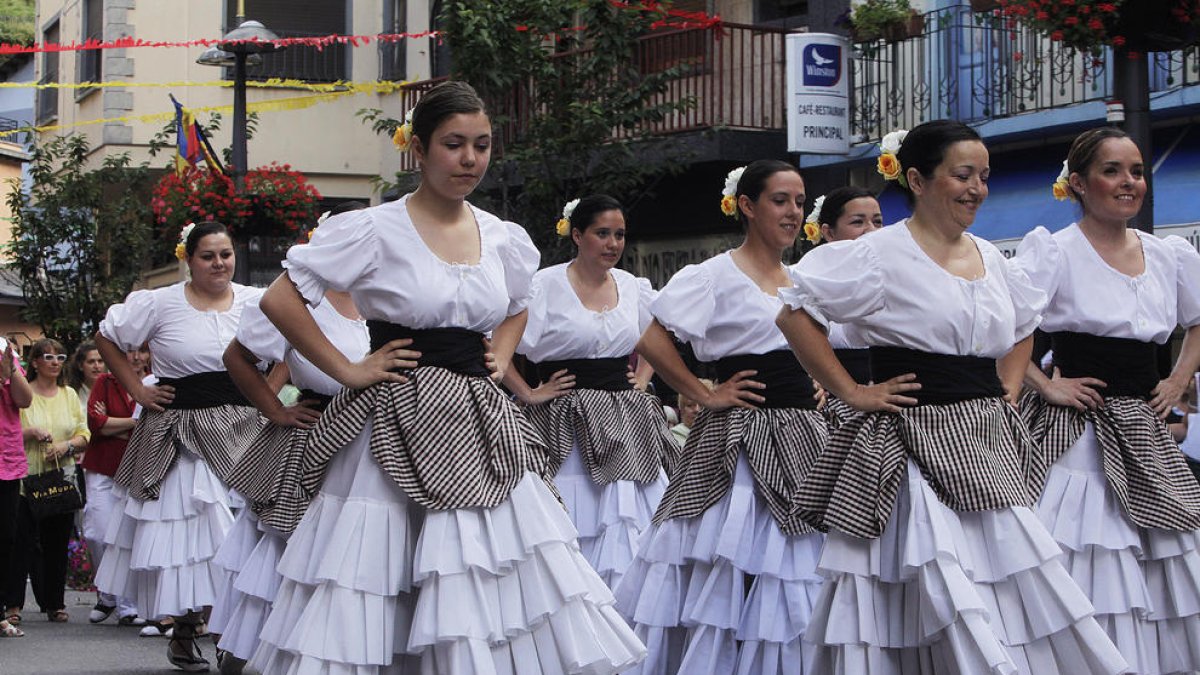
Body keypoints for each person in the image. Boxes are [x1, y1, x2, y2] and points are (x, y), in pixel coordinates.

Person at [250, 80, 644, 674]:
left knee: (487, 562)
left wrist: (499, 357)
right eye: (454, 144)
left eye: (481, 145)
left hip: (480, 416)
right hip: (394, 411)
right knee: (376, 567)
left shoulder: (505, 238)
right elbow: (282, 299)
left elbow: (518, 305)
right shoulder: (374, 227)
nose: (469, 159)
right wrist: (349, 369)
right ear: (420, 149)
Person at [777, 120, 1127, 673]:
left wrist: (1009, 390)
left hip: (985, 440)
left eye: (983, 176)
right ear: (917, 179)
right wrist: (852, 391)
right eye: (962, 175)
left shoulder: (992, 257)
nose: (976, 188)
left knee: (1006, 578)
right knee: (929, 579)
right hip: (909, 440)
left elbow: (1023, 327)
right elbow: (795, 312)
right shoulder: (878, 254)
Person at [613, 160, 828, 673]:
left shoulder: (804, 280)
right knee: (726, 555)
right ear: (748, 206)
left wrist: (823, 379)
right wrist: (702, 393)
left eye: (799, 201)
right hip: (739, 434)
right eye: (780, 200)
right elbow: (647, 330)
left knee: (800, 561)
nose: (793, 212)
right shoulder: (713, 274)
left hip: (804, 431)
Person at [1015, 126, 1200, 673]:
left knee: (1164, 548)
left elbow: (1197, 322)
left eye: (1137, 171)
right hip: (1077, 427)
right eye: (1113, 171)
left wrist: (1177, 384)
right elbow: (1003, 330)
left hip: (1144, 424)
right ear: (1079, 183)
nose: (1128, 182)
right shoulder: (1054, 250)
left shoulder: (1168, 254)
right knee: (1083, 547)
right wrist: (1046, 384)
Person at [92, 221, 265, 672]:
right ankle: (188, 629)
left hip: (242, 427)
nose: (219, 263)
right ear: (188, 260)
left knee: (243, 532)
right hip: (180, 430)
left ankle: (232, 633)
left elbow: (285, 349)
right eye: (208, 255)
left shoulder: (253, 301)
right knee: (191, 535)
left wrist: (269, 400)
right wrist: (138, 389)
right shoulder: (161, 302)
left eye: (225, 254)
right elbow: (107, 338)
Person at [208, 206, 372, 675]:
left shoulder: (382, 294)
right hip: (315, 434)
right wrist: (275, 409)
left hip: (374, 437)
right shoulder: (299, 298)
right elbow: (237, 357)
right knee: (297, 553)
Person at [504, 194, 678, 589]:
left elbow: (659, 335)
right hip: (562, 416)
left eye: (619, 234)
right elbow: (498, 342)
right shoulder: (544, 285)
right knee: (567, 521)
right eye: (602, 234)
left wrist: (645, 375)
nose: (613, 243)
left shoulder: (633, 286)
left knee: (627, 520)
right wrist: (529, 391)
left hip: (626, 420)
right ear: (577, 235)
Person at [5, 338, 90, 626]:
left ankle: (54, 603)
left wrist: (67, 446)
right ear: (36, 363)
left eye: (60, 357)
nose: (55, 362)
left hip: (60, 475)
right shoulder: (23, 392)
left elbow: (84, 433)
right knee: (22, 542)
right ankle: (13, 603)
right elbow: (10, 430)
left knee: (57, 542)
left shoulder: (68, 395)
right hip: (27, 477)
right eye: (49, 357)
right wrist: (31, 433)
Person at [81, 344, 149, 628]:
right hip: (102, 466)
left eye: (140, 351)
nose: (134, 357)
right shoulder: (105, 382)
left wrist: (116, 424)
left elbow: (153, 424)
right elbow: (96, 424)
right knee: (97, 532)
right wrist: (134, 422)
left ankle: (127, 605)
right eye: (128, 351)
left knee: (127, 537)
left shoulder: (156, 381)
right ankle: (107, 594)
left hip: (135, 469)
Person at [804, 186, 884, 427]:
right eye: (858, 222)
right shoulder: (807, 280)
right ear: (828, 232)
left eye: (878, 222)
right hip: (828, 410)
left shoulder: (895, 276)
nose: (871, 230)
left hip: (887, 404)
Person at [0, 340, 32, 638]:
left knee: (6, 537)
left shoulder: (5, 355)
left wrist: (11, 371)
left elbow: (24, 400)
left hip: (6, 461)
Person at [69, 341, 106, 418]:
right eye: (91, 362)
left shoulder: (111, 391)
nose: (96, 366)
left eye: (100, 361)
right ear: (80, 366)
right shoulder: (71, 393)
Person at [670, 380, 712, 446]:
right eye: (690, 405)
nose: (697, 410)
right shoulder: (672, 438)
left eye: (702, 405)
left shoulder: (721, 434)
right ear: (682, 410)